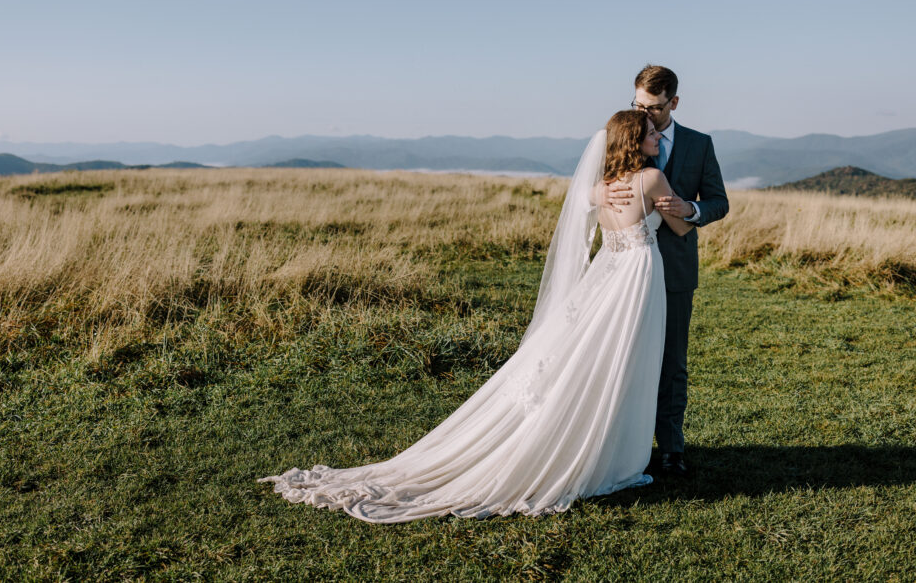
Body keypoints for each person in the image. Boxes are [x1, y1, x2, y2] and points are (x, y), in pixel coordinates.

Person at [258, 110, 694, 523]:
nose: (659, 136)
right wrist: (684, 209)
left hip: (606, 274)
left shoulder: (602, 185)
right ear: (635, 141)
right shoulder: (652, 178)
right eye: (652, 133)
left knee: (598, 358)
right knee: (627, 360)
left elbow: (594, 205)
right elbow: (680, 226)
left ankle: (592, 440)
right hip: (634, 278)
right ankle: (610, 452)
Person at [606, 65, 729, 478]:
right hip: (624, 271)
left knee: (671, 361)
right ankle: (619, 440)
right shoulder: (622, 132)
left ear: (673, 103)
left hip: (673, 270)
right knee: (621, 356)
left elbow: (718, 201)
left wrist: (691, 210)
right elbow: (594, 183)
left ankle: (671, 448)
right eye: (638, 105)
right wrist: (597, 191)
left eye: (654, 108)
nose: (646, 114)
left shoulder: (699, 144)